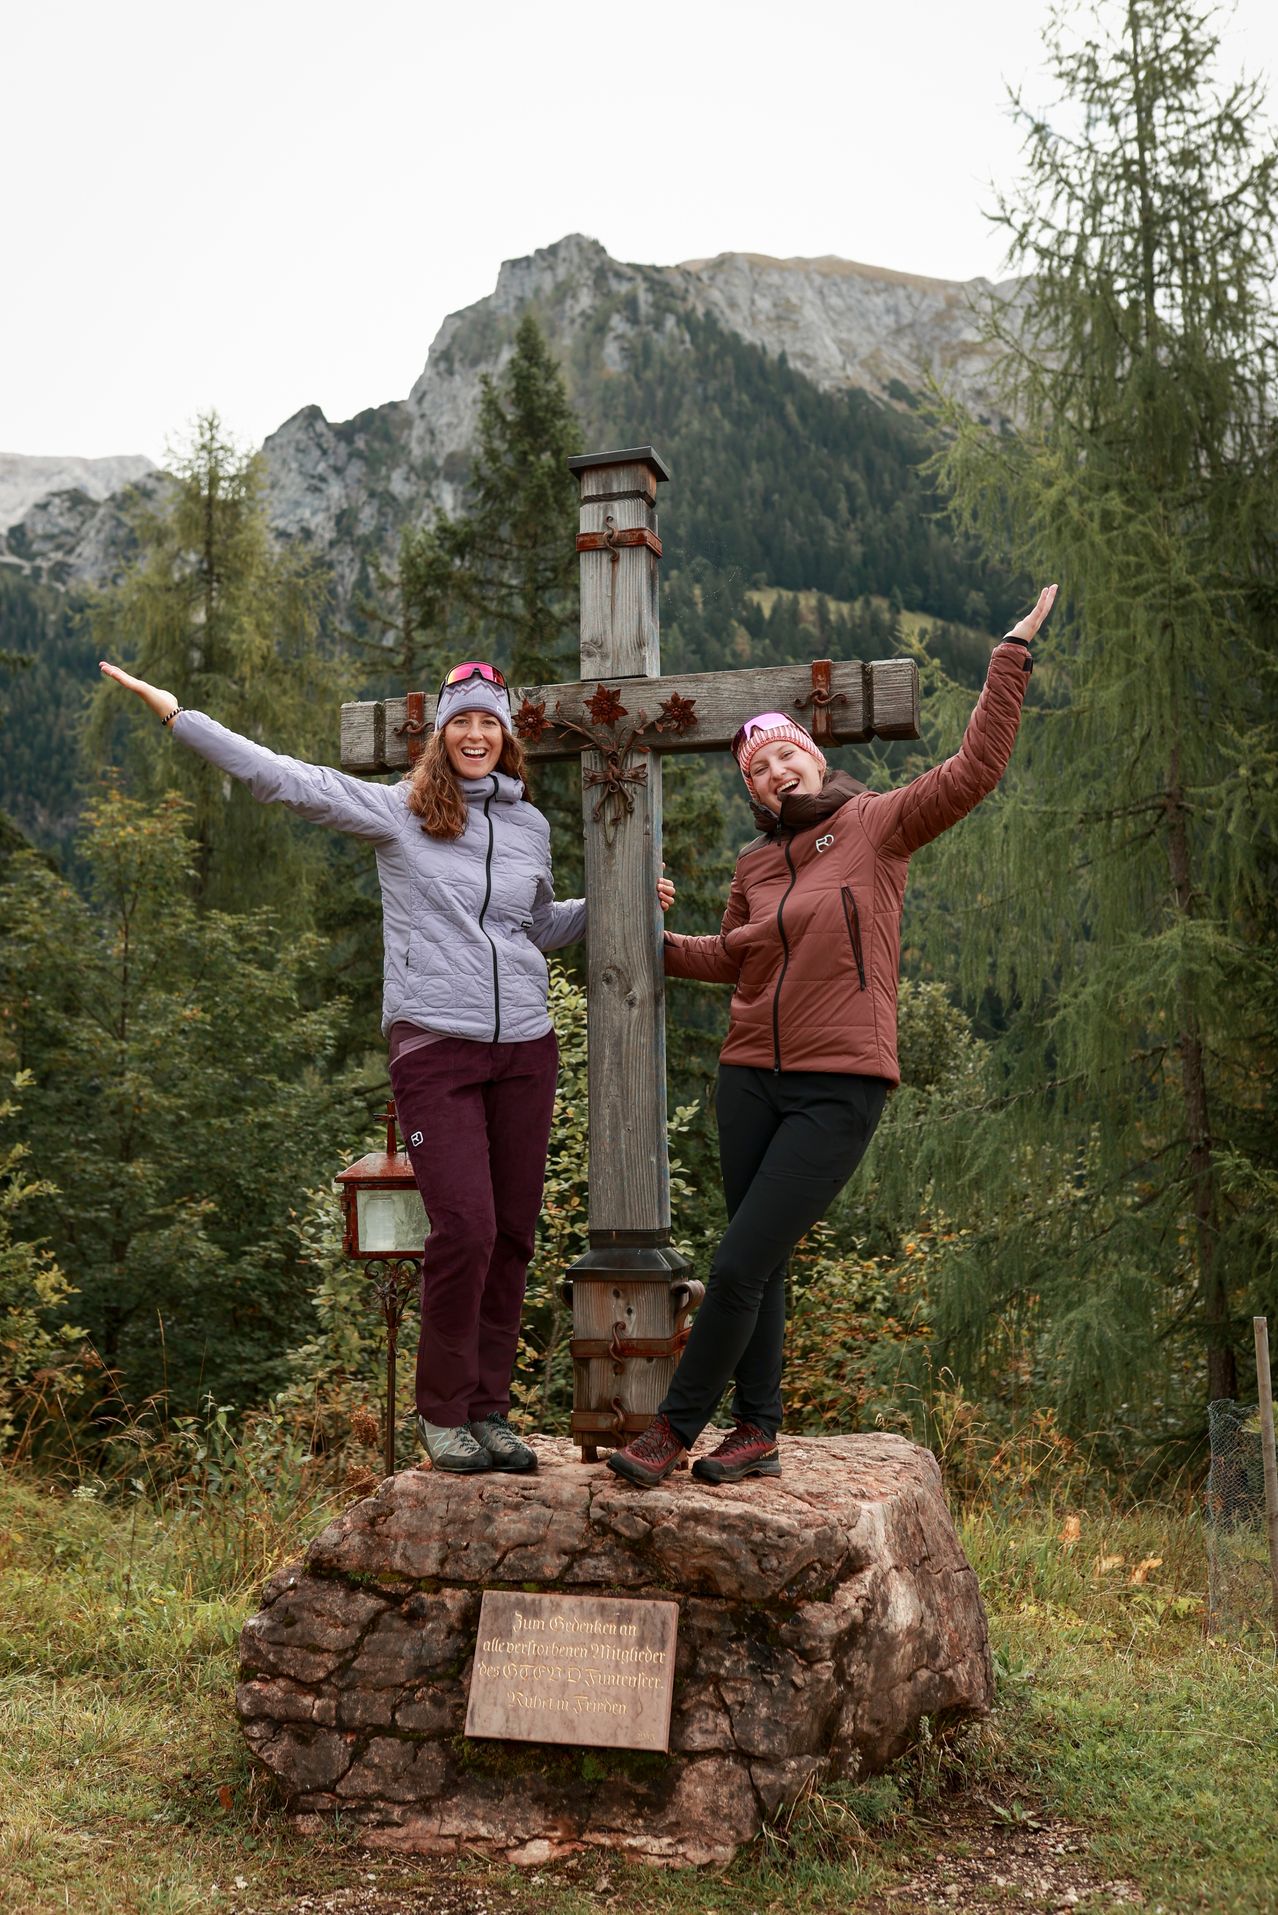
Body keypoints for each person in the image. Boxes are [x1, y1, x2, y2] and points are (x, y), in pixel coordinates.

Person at [99, 657, 663, 1476]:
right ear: (441, 733)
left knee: (511, 1235)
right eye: (461, 721)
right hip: (436, 1044)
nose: (476, 734)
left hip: (527, 1048)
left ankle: (488, 1409)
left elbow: (536, 925)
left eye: (489, 722)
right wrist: (180, 715)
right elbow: (287, 780)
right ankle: (443, 1414)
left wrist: (622, 901)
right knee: (464, 1229)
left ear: (506, 736)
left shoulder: (530, 825)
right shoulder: (402, 812)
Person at [605, 585, 1058, 1489]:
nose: (771, 775)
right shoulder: (753, 864)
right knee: (759, 1264)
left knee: (735, 1261)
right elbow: (732, 958)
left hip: (838, 1085)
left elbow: (974, 769)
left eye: (781, 756)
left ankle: (672, 1429)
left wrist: (1008, 656)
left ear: (812, 757)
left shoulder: (876, 825)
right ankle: (758, 1432)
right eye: (754, 772)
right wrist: (639, 926)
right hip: (747, 1079)